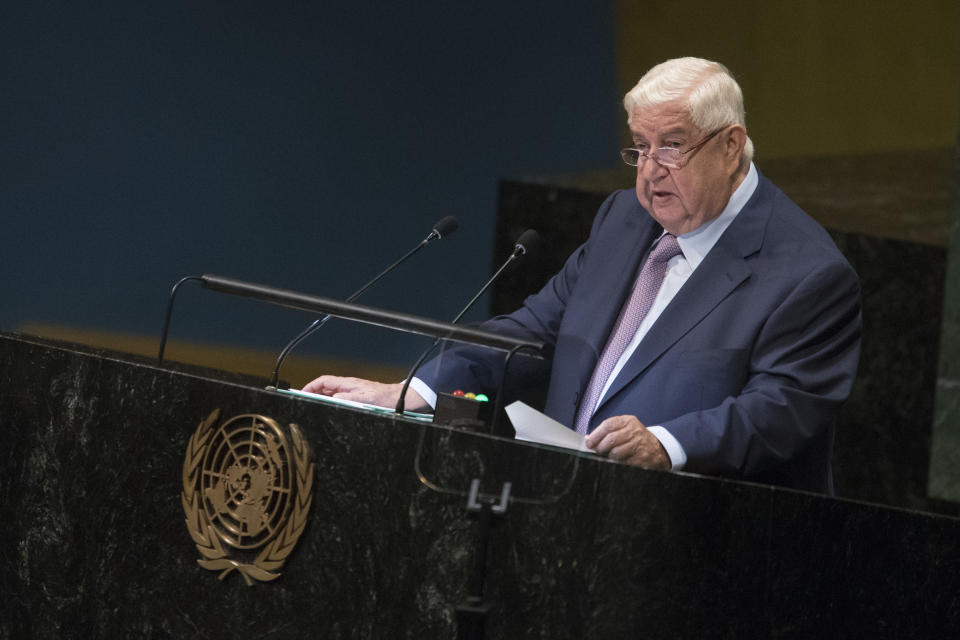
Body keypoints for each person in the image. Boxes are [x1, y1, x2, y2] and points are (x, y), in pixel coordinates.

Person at [304, 57, 861, 493]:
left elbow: (781, 410)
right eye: (639, 147)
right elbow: (535, 330)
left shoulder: (807, 274)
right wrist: (412, 391)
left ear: (731, 145)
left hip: (704, 547)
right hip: (566, 511)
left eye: (671, 146)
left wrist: (666, 444)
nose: (649, 172)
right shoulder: (625, 219)